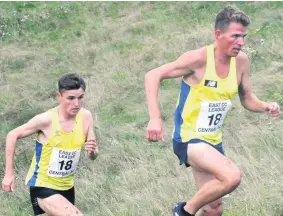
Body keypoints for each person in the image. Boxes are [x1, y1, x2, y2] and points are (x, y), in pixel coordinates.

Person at [145, 6, 280, 216]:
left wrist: (265, 106)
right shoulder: (198, 59)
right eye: (235, 36)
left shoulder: (241, 62)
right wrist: (155, 118)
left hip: (213, 141)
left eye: (243, 37)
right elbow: (153, 75)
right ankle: (183, 211)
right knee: (232, 176)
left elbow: (247, 98)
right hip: (189, 139)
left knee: (213, 209)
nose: (241, 42)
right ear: (218, 34)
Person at [2, 73, 98, 216]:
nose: (76, 104)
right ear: (59, 96)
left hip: (67, 187)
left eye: (80, 97)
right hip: (43, 186)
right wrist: (9, 173)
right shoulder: (46, 120)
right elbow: (12, 134)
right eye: (71, 98)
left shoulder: (86, 117)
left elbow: (93, 154)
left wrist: (92, 152)